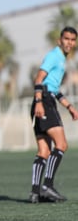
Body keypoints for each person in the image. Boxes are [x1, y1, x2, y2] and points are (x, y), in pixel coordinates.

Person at [29, 26, 78, 203]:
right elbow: (39, 79)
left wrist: (69, 106)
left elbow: (55, 89)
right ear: (60, 40)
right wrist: (40, 101)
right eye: (66, 38)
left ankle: (35, 192)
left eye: (73, 39)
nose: (69, 42)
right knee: (62, 145)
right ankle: (47, 186)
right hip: (44, 102)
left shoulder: (61, 60)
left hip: (45, 99)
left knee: (44, 150)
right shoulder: (54, 56)